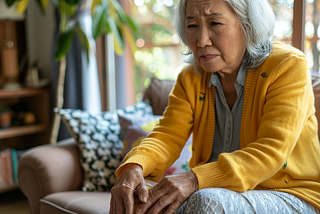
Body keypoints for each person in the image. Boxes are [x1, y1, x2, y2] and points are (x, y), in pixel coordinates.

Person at [110, 0, 320, 213]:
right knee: (139, 202)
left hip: (292, 194)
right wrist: (134, 166)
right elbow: (167, 137)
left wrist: (194, 179)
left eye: (215, 23)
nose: (201, 41)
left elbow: (271, 150)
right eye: (192, 26)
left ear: (248, 25)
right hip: (211, 192)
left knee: (207, 202)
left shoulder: (287, 66)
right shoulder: (190, 78)